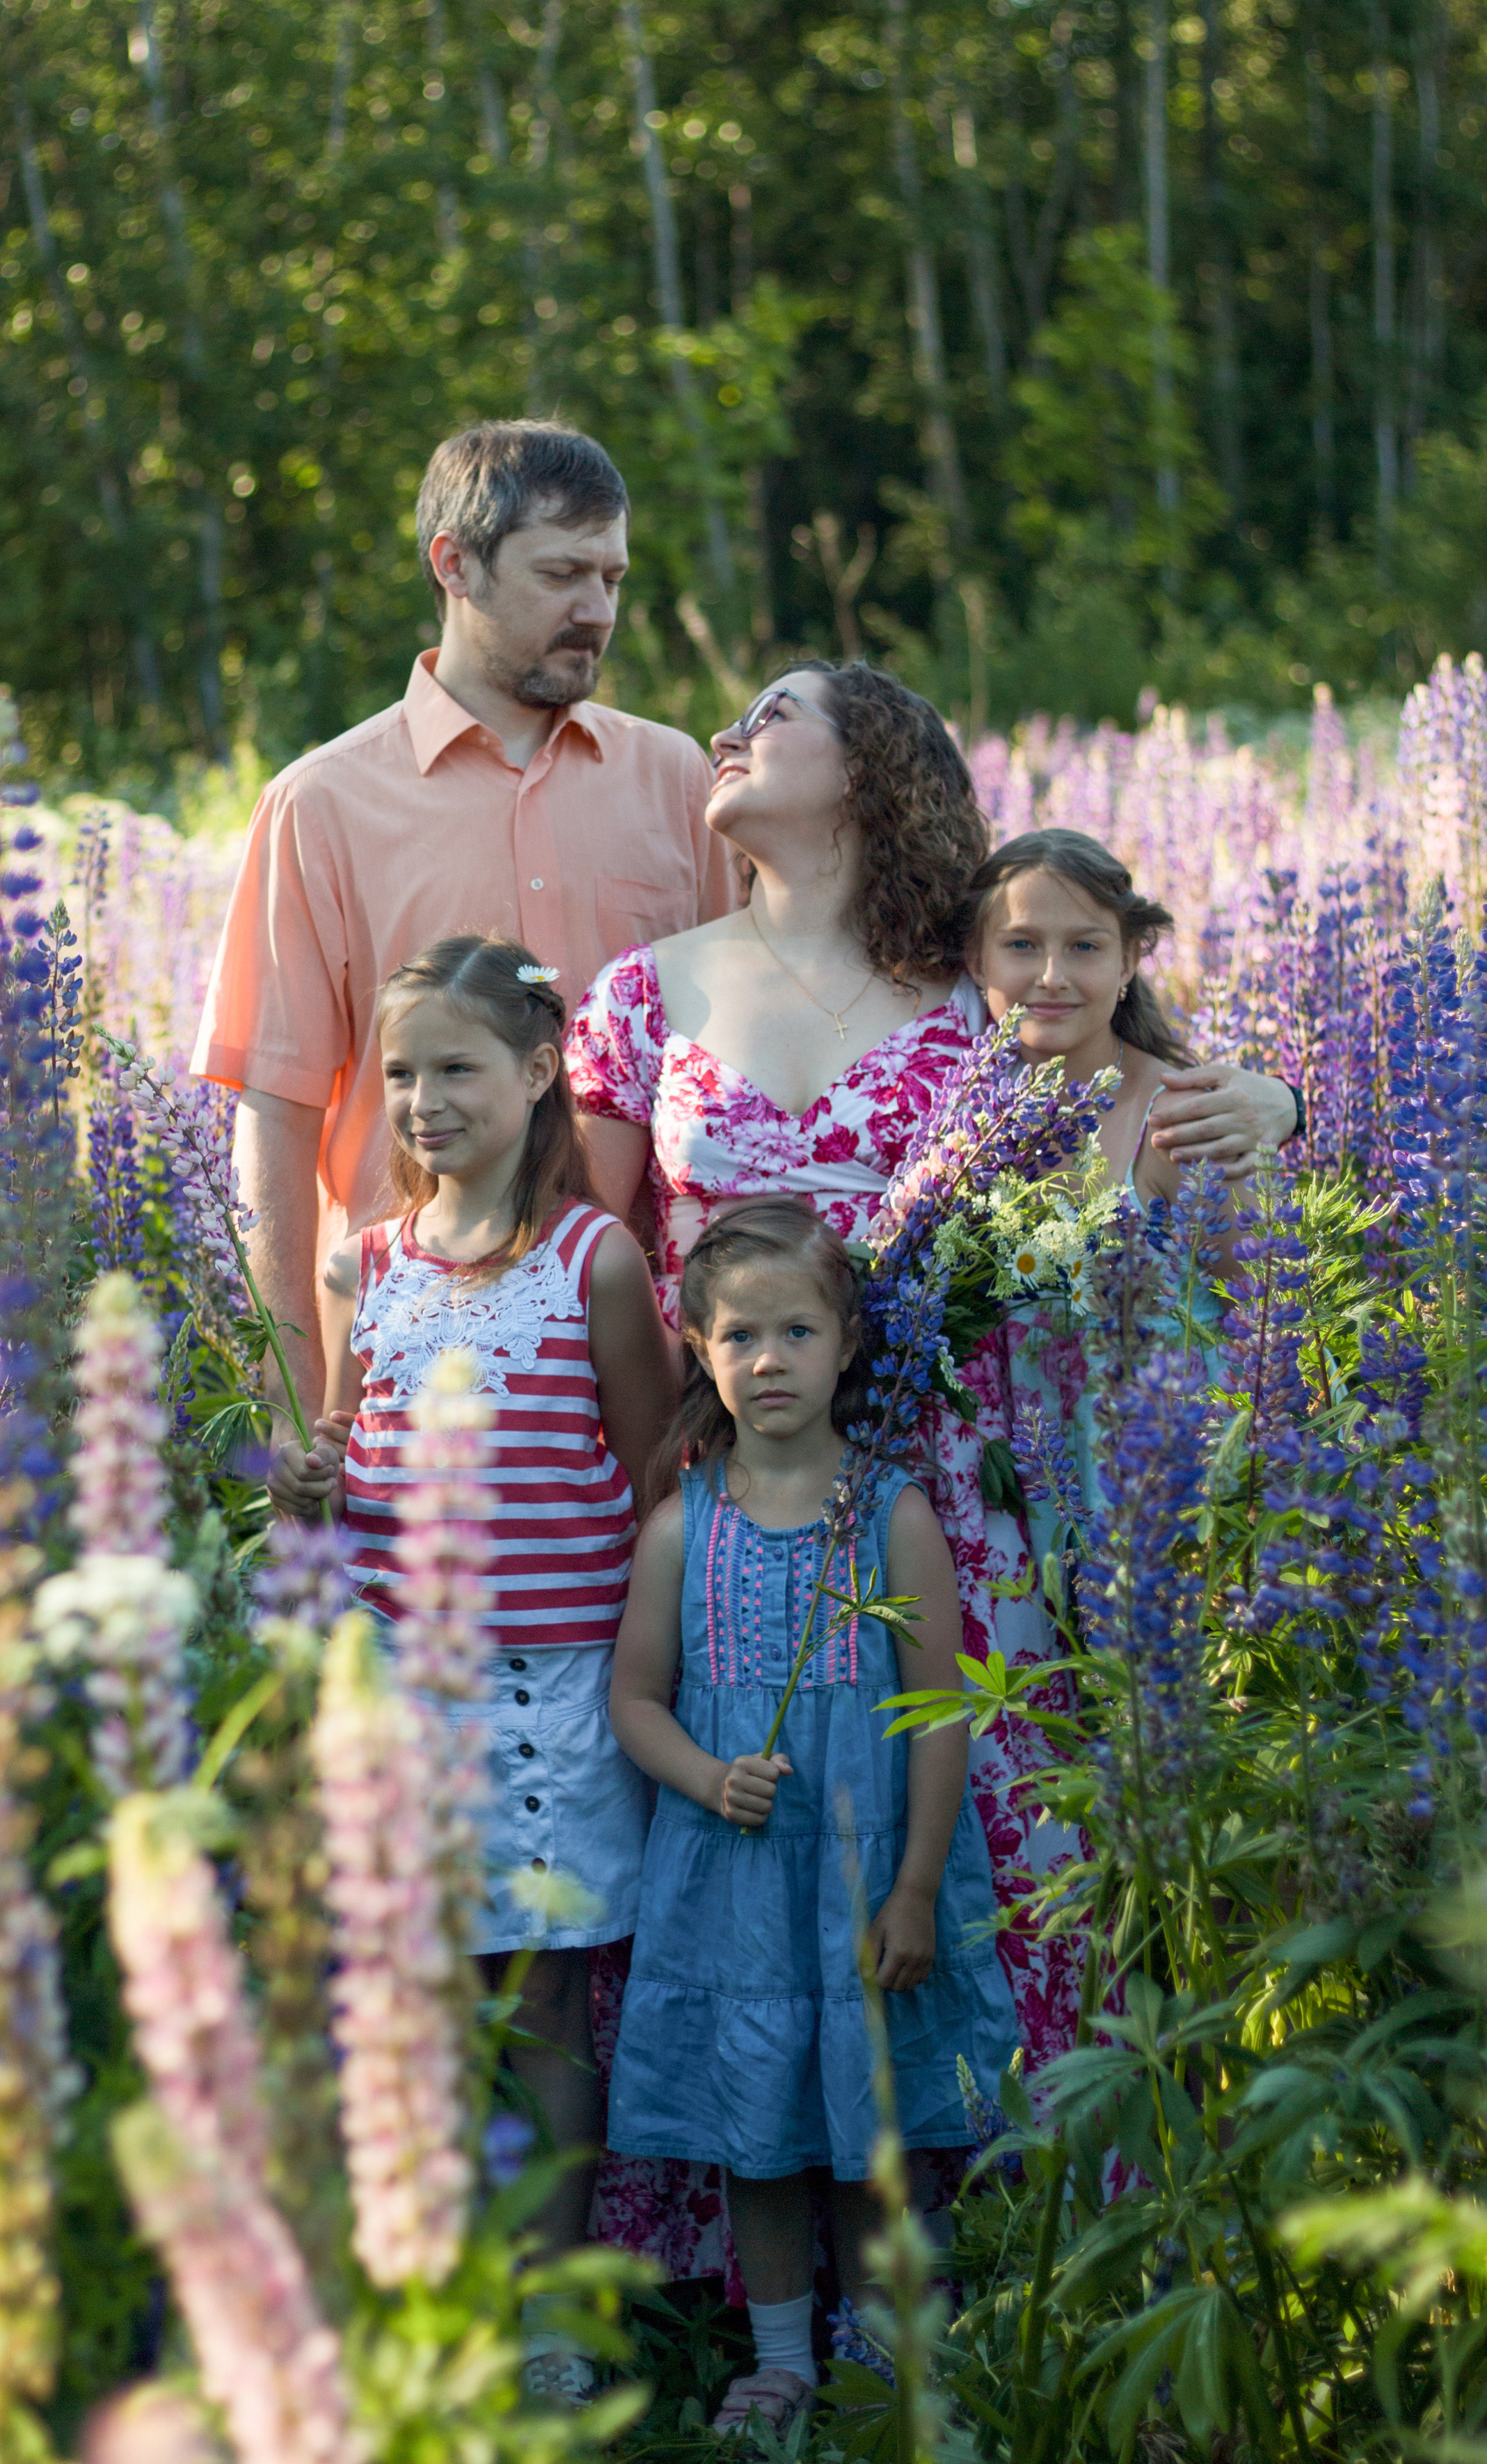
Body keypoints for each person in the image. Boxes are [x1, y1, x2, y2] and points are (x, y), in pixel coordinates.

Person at [564, 660, 1296, 2275]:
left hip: (961, 1492)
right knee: (753, 1839)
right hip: (738, 1497)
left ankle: (1009, 2250)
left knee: (979, 1843)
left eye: (775, 706)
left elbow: (1139, 1065)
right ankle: (757, 2267)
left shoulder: (965, 981)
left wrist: (1273, 1091)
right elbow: (596, 1264)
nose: (727, 729)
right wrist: (651, 1500)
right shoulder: (641, 991)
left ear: (872, 763)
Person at [188, 419, 735, 1499]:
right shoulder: (324, 804)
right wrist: (298, 1391)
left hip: (658, 1362)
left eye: (614, 575)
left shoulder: (676, 781)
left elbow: (741, 1045)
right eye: (562, 573)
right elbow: (279, 1116)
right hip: (416, 1370)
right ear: (454, 563)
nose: (599, 609)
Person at [284, 935, 678, 2406]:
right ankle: (434, 2289)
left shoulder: (596, 1259)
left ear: (535, 1072)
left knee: (545, 2007)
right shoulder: (368, 1262)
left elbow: (653, 1480)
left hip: (547, 1695)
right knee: (419, 1998)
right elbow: (342, 1460)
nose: (424, 1100)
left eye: (456, 1067)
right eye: (399, 1073)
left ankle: (555, 2307)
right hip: (402, 1681)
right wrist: (307, 1489)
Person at [607, 1202, 1018, 2440]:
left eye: (799, 1330)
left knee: (873, 2118)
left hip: (868, 1870)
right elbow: (632, 1700)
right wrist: (701, 1773)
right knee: (761, 2130)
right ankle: (780, 2357)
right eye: (741, 1336)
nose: (771, 1359)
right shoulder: (685, 1526)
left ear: (851, 1347)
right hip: (735, 1889)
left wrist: (915, 1885)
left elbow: (939, 1713)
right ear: (698, 1348)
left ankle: (894, 2349)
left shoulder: (891, 1514)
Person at [963, 828, 1246, 1573]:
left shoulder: (1180, 1117)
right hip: (1021, 1500)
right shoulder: (960, 1120)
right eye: (1020, 945)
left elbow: (1264, 1313)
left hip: (1169, 1489)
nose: (1050, 975)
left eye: (1084, 948)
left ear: (1128, 962)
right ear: (975, 961)